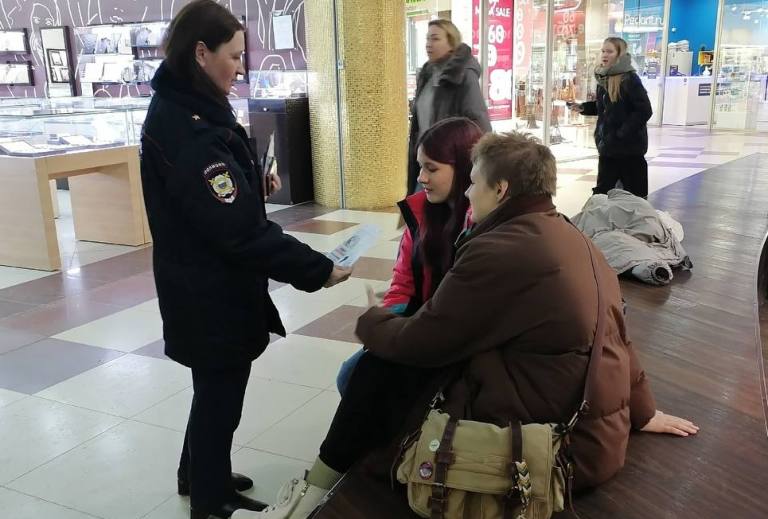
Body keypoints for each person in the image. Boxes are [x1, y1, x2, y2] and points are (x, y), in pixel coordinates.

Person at [235, 132, 698, 519]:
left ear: (501, 189)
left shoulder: (504, 248)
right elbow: (619, 337)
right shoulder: (569, 234)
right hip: (593, 426)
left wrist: (372, 321)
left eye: (473, 182)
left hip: (557, 442)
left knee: (381, 369)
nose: (467, 193)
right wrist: (642, 412)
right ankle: (320, 488)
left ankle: (309, 499)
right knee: (384, 371)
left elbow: (424, 340)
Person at [139, 2, 351, 518]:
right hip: (208, 290)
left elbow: (209, 200)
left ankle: (198, 471)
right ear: (201, 53)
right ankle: (210, 500)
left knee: (212, 391)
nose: (240, 67)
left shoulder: (187, 104)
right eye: (233, 56)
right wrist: (317, 269)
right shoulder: (189, 128)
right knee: (220, 396)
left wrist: (250, 182)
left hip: (204, 281)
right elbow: (239, 233)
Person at [336, 117, 484, 394]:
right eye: (420, 167)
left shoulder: (483, 224)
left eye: (432, 168)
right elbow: (403, 283)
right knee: (352, 375)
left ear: (465, 168)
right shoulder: (420, 215)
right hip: (421, 323)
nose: (421, 178)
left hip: (459, 338)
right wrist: (388, 319)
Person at [407, 19, 491, 195]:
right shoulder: (427, 75)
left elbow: (479, 122)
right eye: (427, 38)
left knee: (426, 204)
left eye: (435, 38)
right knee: (418, 204)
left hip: (447, 165)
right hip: (424, 159)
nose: (429, 44)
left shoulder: (462, 75)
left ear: (451, 43)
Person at [571, 37, 653, 198]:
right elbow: (604, 107)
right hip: (608, 150)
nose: (604, 55)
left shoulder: (629, 79)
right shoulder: (604, 78)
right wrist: (584, 107)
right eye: (603, 51)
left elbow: (644, 110)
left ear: (619, 55)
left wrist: (621, 133)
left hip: (629, 151)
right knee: (603, 195)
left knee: (633, 198)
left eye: (609, 51)